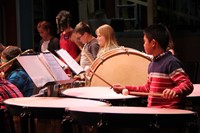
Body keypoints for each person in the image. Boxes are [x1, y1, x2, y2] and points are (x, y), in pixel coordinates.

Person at [112, 24, 193, 109]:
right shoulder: (152, 64)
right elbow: (148, 88)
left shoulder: (171, 63)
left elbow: (187, 84)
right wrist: (125, 88)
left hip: (169, 114)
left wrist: (174, 91)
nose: (143, 44)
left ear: (153, 43)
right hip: (155, 112)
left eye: (145, 41)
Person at [56, 10, 81, 74]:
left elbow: (83, 51)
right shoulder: (62, 34)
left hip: (72, 67)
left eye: (62, 25)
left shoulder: (74, 34)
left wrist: (73, 64)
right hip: (63, 66)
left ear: (67, 24)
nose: (60, 28)